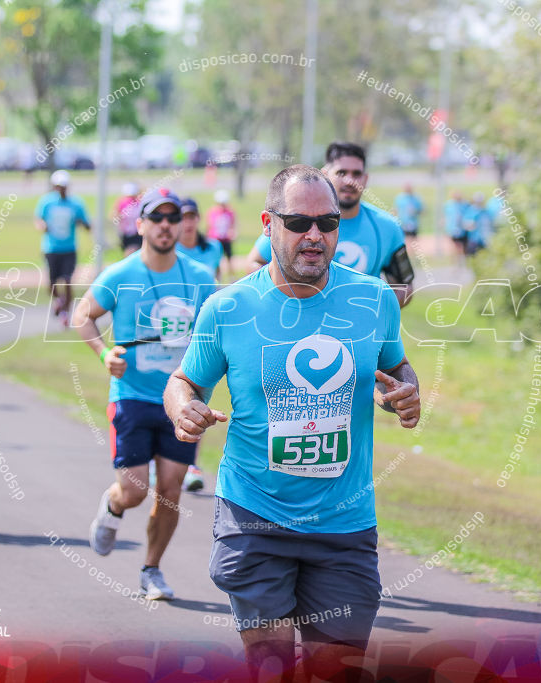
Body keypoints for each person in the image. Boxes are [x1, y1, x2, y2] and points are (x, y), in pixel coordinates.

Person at [164, 165, 420, 680]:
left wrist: (406, 396)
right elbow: (183, 382)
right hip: (255, 517)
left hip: (342, 524)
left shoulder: (372, 299)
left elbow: (395, 368)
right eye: (299, 223)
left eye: (327, 223)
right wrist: (182, 409)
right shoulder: (229, 308)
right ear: (267, 223)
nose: (315, 236)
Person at [74, 188, 215, 600]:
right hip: (133, 395)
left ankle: (151, 569)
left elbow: (217, 333)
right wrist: (104, 353)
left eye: (174, 218)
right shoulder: (120, 275)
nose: (166, 226)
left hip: (183, 399)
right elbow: (82, 316)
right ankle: (114, 506)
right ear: (140, 226)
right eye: (157, 218)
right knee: (135, 490)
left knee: (171, 489)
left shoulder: (201, 278)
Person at [245, 142, 414, 307]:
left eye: (356, 174)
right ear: (325, 173)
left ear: (365, 178)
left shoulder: (388, 227)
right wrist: (291, 303)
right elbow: (254, 263)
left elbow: (404, 286)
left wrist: (369, 311)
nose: (349, 181)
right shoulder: (294, 223)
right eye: (342, 172)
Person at [172, 196, 220, 492]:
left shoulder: (211, 248)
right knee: (168, 399)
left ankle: (191, 464)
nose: (188, 222)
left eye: (192, 216)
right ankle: (160, 462)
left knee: (197, 402)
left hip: (199, 335)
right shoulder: (170, 252)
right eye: (183, 217)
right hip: (169, 331)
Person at [35, 170, 90, 327]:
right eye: (58, 186)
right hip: (51, 247)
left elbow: (86, 223)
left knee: (67, 280)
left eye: (63, 186)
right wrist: (42, 226)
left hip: (69, 248)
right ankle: (59, 301)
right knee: (51, 282)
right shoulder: (47, 202)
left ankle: (66, 312)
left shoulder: (76, 203)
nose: (61, 189)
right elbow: (39, 219)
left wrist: (83, 223)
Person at [206, 190, 236, 275]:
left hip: (226, 239)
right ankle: (217, 277)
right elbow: (210, 226)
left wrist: (232, 233)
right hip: (216, 240)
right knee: (216, 260)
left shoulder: (230, 212)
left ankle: (232, 278)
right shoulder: (213, 212)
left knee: (229, 258)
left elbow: (232, 224)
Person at [392, 183, 423, 249]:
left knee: (414, 242)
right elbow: (395, 210)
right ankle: (408, 255)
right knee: (404, 240)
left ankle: (413, 256)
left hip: (413, 223)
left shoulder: (415, 198)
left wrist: (415, 211)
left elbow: (421, 210)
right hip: (403, 223)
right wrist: (394, 218)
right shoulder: (400, 198)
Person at [114, 182, 142, 254]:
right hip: (127, 234)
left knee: (132, 253)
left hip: (137, 234)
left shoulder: (139, 203)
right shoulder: (122, 203)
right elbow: (115, 217)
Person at [444, 191, 470, 257]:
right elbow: (447, 217)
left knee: (464, 246)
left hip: (463, 229)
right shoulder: (449, 205)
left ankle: (463, 259)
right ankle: (456, 261)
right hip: (453, 229)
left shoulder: (465, 204)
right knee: (455, 246)